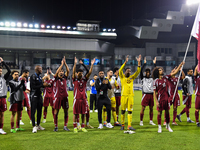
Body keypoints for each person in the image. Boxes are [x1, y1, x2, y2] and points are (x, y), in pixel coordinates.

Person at [153, 62, 184, 133]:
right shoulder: (156, 81)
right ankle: (159, 127)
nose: (162, 71)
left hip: (167, 99)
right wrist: (156, 102)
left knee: (167, 113)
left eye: (162, 70)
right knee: (159, 113)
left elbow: (174, 73)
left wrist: (180, 65)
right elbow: (154, 92)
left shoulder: (166, 77)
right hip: (160, 100)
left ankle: (168, 126)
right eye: (160, 70)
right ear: (158, 72)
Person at [72, 57, 95, 133]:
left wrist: (92, 65)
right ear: (77, 74)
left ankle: (82, 127)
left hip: (84, 99)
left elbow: (90, 72)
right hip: (77, 99)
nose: (81, 74)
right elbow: (73, 71)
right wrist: (75, 63)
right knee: (75, 113)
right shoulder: (74, 79)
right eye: (79, 73)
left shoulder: (84, 79)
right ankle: (75, 127)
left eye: (82, 73)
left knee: (84, 113)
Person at [119, 55, 141, 131]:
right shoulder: (122, 77)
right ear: (125, 72)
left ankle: (129, 125)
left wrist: (139, 63)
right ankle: (122, 125)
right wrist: (125, 62)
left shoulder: (132, 77)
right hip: (124, 96)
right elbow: (120, 70)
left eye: (130, 71)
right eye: (128, 71)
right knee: (122, 110)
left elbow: (138, 71)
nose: (129, 72)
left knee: (130, 111)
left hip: (131, 96)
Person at [53, 56, 70, 132]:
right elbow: (56, 72)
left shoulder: (65, 78)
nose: (61, 72)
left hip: (65, 97)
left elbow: (68, 71)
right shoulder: (56, 78)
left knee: (66, 111)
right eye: (60, 71)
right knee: (56, 112)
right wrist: (61, 64)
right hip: (58, 97)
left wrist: (65, 64)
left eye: (62, 71)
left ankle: (65, 126)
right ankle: (56, 126)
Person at [30, 65, 48, 133]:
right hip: (34, 95)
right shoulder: (33, 76)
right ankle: (34, 126)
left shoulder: (40, 77)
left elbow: (41, 86)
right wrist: (42, 85)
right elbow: (33, 86)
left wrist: (46, 85)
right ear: (37, 69)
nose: (41, 70)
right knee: (33, 111)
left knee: (40, 111)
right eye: (40, 69)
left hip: (39, 95)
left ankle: (38, 125)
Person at [139, 57, 156, 126]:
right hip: (145, 94)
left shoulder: (152, 78)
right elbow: (140, 71)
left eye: (149, 72)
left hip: (151, 94)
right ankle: (141, 121)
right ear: (145, 73)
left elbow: (156, 72)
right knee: (143, 108)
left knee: (151, 108)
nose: (148, 73)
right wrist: (144, 64)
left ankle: (151, 121)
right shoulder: (143, 78)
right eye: (147, 72)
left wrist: (154, 64)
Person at [0, 57, 11, 135]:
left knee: (2, 114)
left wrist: (3, 62)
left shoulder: (4, 77)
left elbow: (9, 71)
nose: (0, 72)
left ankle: (1, 128)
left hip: (3, 97)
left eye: (1, 71)